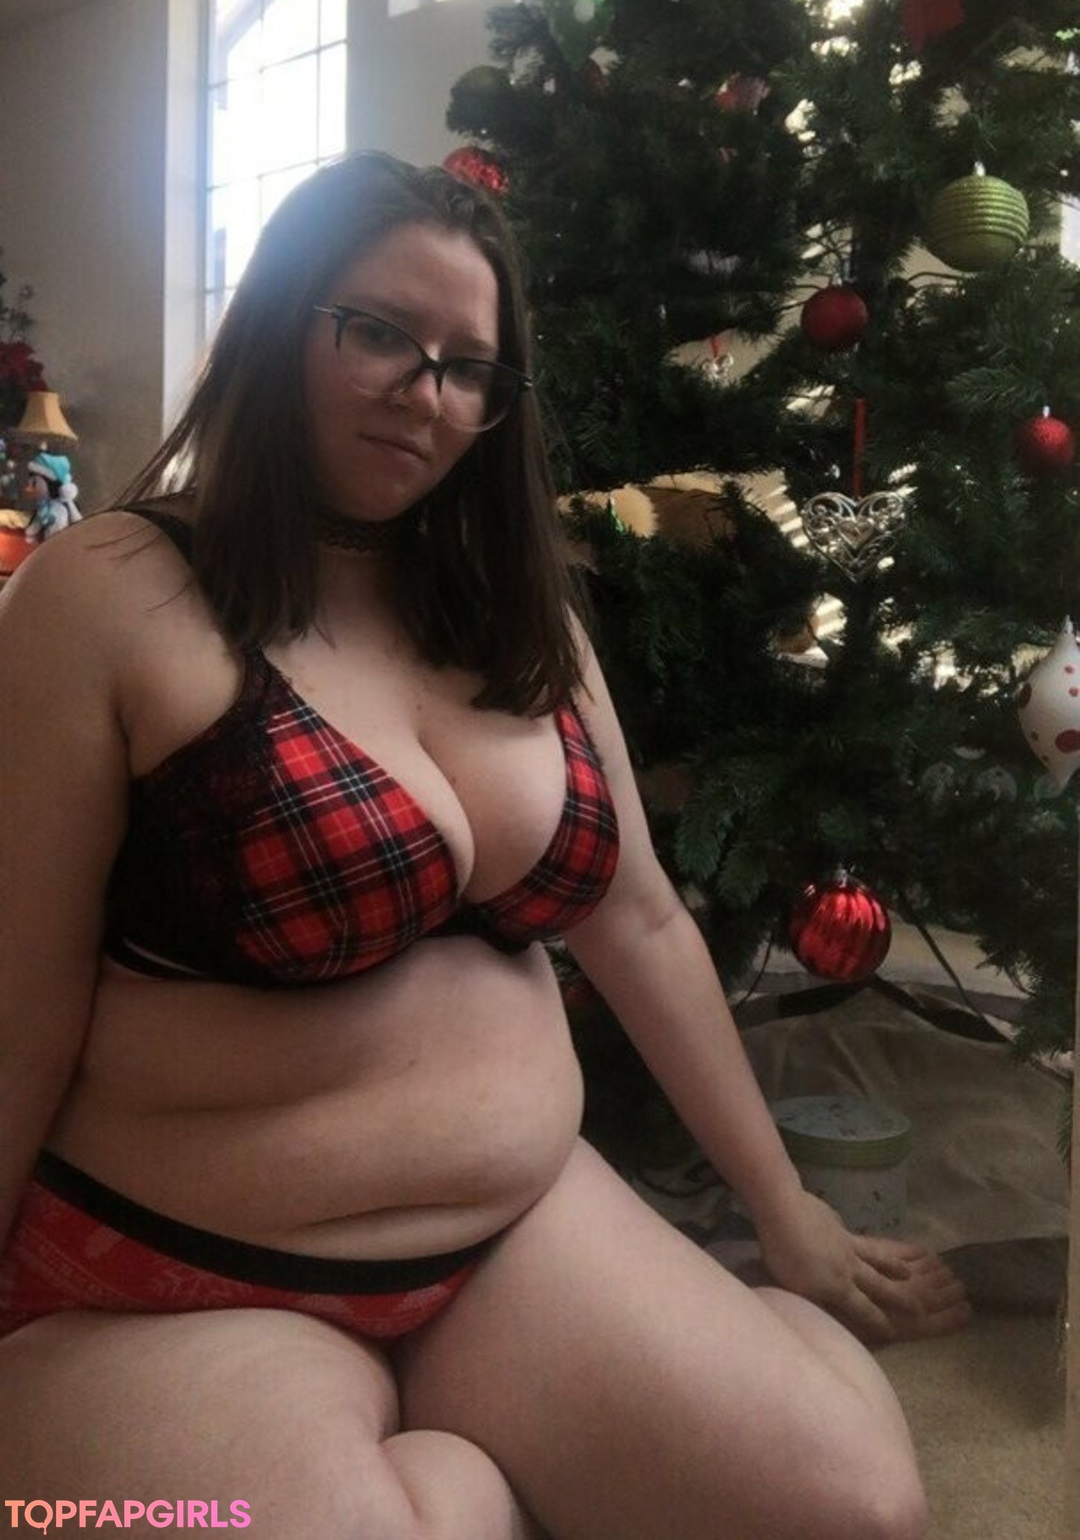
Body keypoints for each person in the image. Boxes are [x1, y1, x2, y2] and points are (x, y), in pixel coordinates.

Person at [0, 152, 966, 1540]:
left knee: (860, 1512)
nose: (427, 392)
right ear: (279, 322)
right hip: (177, 1281)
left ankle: (504, 1430)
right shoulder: (105, 593)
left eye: (469, 366)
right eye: (378, 332)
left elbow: (638, 918)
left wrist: (785, 1209)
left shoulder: (520, 610)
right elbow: (17, 1004)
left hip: (512, 1239)